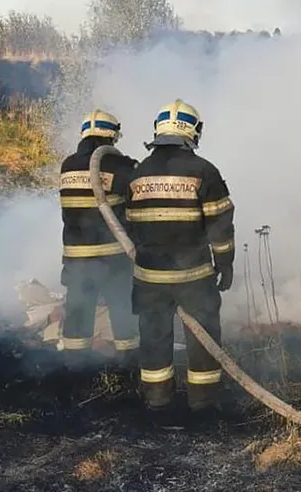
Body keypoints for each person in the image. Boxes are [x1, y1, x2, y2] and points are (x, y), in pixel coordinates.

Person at [125, 99, 235, 417]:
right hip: (194, 277)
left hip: (149, 278)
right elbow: (220, 225)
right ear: (193, 131)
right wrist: (224, 264)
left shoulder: (138, 174)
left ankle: (157, 401)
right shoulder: (204, 171)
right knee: (202, 341)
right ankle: (202, 404)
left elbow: (130, 224)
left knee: (154, 337)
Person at [58, 109, 140, 363]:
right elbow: (137, 205)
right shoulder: (120, 166)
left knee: (78, 310)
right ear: (112, 136)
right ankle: (127, 365)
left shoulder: (68, 165)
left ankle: (74, 369)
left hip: (76, 259)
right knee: (122, 309)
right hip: (113, 258)